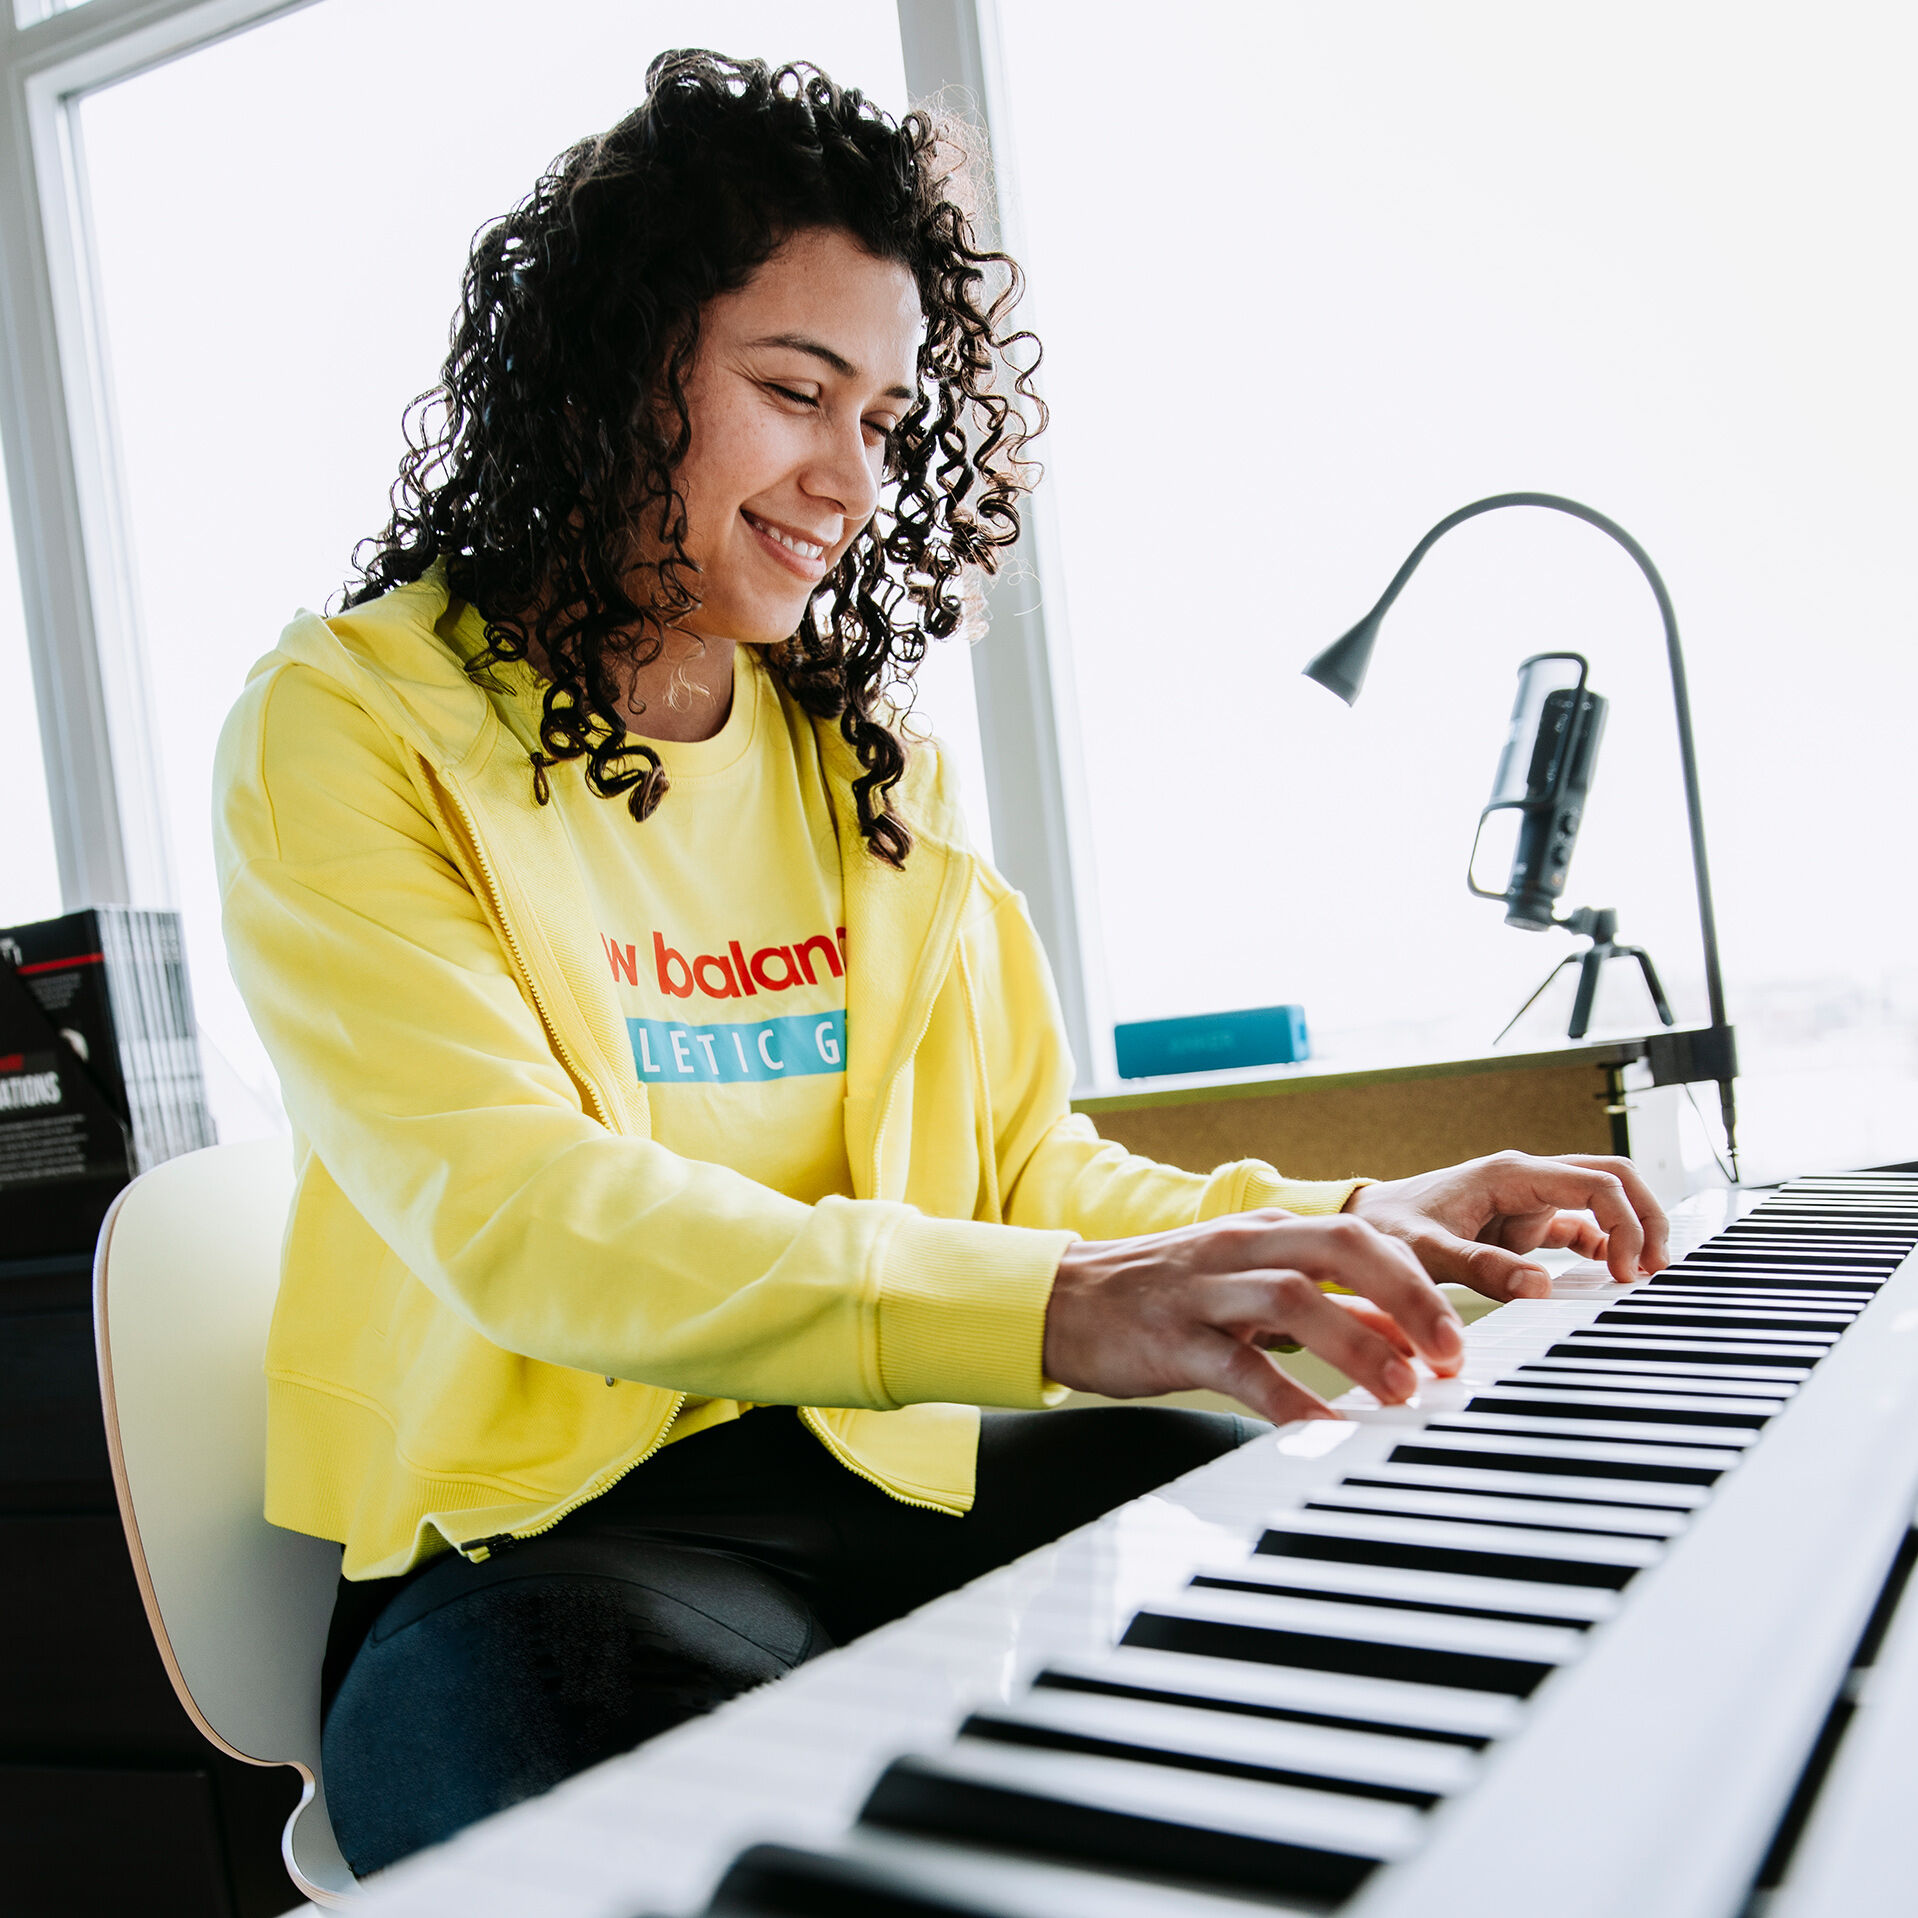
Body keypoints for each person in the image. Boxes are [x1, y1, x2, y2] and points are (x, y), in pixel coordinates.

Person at [213, 49, 1668, 1877]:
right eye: (792, 390)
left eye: (886, 418)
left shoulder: (869, 763)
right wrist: (1059, 1307)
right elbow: (526, 1215)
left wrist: (1352, 1220)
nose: (846, 477)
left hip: (903, 1473)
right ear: (610, 367)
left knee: (1423, 1598)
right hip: (544, 1558)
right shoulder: (351, 722)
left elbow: (1025, 1170)